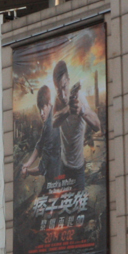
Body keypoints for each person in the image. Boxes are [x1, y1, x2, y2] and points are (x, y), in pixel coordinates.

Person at [51, 60, 102, 192]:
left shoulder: (80, 98)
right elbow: (54, 122)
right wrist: (67, 110)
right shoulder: (57, 101)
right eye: (58, 90)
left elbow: (97, 126)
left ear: (68, 81)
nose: (62, 95)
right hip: (63, 165)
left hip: (78, 168)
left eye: (64, 87)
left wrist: (82, 110)